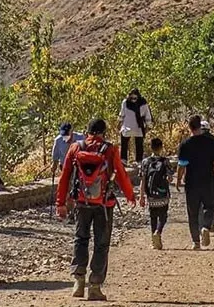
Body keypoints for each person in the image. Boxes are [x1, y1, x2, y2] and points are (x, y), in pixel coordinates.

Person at [55, 119, 136, 301]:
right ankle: (95, 286)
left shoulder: (76, 148)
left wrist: (60, 202)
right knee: (101, 243)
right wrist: (130, 196)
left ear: (87, 132)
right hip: (104, 204)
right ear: (103, 133)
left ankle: (78, 281)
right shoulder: (109, 149)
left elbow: (65, 176)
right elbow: (121, 174)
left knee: (80, 239)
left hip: (81, 202)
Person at [177, 115, 214, 250]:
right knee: (210, 206)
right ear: (200, 126)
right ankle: (206, 226)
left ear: (189, 127)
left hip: (191, 182)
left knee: (192, 212)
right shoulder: (210, 142)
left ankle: (196, 242)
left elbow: (181, 165)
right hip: (208, 180)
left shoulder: (185, 144)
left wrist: (178, 180)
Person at [139, 138, 173, 250]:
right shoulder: (165, 161)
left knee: (153, 216)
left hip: (151, 195)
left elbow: (143, 180)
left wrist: (141, 196)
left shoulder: (145, 162)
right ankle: (158, 231)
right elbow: (170, 178)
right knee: (163, 215)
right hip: (163, 195)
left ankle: (154, 241)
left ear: (151, 147)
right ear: (161, 147)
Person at [117, 88, 153, 164]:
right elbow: (148, 116)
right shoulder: (143, 103)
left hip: (127, 128)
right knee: (139, 144)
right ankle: (139, 161)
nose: (133, 99)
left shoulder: (125, 102)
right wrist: (148, 126)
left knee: (124, 143)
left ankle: (124, 160)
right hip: (139, 128)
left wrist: (119, 123)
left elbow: (122, 115)